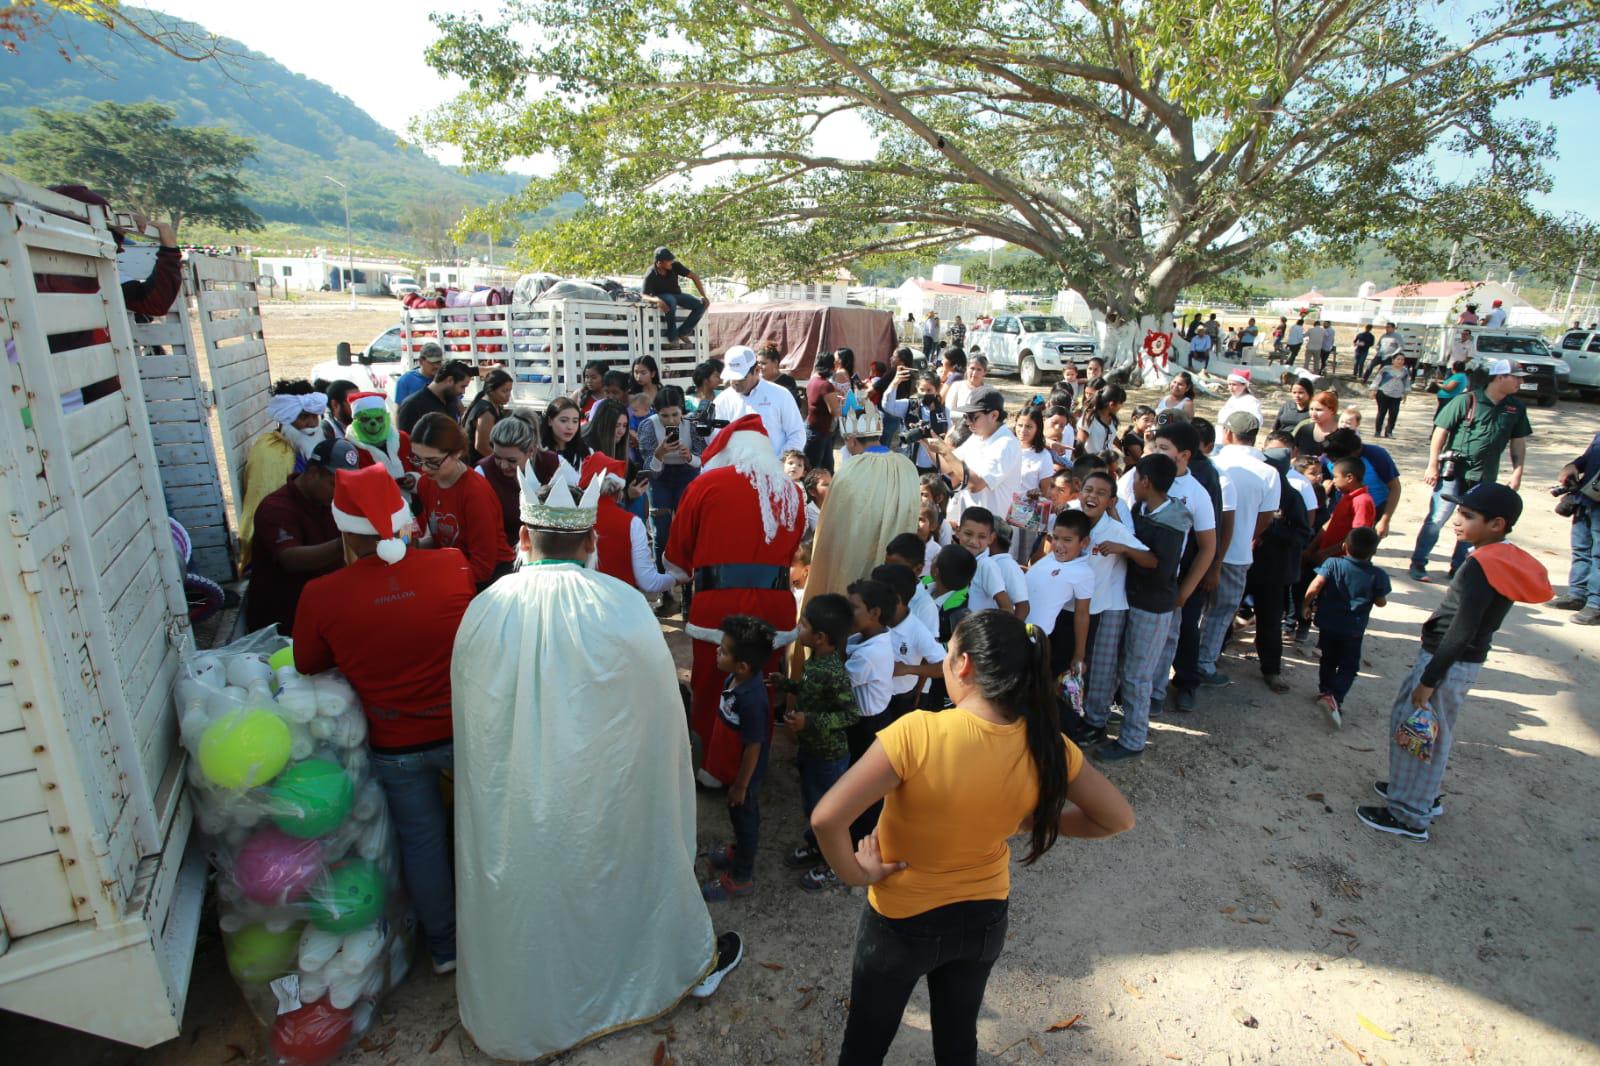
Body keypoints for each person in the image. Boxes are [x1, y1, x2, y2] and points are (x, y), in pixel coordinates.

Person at [449, 465, 742, 1058]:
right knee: (606, 872)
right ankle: (637, 975)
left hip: (521, 794)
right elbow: (659, 717)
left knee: (537, 886)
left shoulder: (485, 608)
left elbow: (476, 717)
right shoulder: (624, 605)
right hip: (603, 791)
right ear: (591, 542)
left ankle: (529, 1007)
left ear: (522, 540)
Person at [811, 610, 1134, 1064]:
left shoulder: (918, 731)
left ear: (963, 665)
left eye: (947, 654)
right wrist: (1028, 820)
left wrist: (855, 872)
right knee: (959, 1039)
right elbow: (1117, 818)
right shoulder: (1048, 744)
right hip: (983, 920)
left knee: (864, 1045)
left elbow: (827, 819)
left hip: (902, 922)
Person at [293, 463, 477, 975]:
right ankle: (502, 926)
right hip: (464, 728)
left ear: (343, 533)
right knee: (485, 829)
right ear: (403, 521)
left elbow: (307, 663)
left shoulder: (321, 595)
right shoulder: (451, 564)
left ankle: (446, 946)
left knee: (421, 843)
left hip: (395, 742)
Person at [1358, 484, 1551, 842]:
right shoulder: (1499, 556)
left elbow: (1462, 628)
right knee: (1427, 731)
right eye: (1458, 513)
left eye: (1467, 516)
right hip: (1458, 661)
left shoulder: (1481, 564)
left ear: (1497, 524)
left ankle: (1409, 814)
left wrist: (1430, 679)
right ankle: (1413, 793)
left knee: (1419, 732)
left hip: (1446, 662)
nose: (1456, 522)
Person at [666, 415, 807, 786]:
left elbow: (678, 554)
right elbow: (792, 550)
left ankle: (710, 762)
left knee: (713, 683)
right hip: (774, 603)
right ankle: (749, 764)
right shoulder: (792, 491)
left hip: (717, 602)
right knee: (761, 684)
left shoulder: (706, 484)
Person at [1095, 453, 1191, 761]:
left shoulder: (1171, 524)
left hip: (1152, 606)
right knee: (1127, 666)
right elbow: (1134, 535)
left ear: (1146, 482)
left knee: (1138, 673)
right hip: (1134, 599)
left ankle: (1133, 740)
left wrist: (1123, 549)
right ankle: (1122, 723)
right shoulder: (1143, 508)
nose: (1132, 484)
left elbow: (1154, 562)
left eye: (1135, 478)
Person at [1408, 360, 1532, 582]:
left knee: (1474, 524)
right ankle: (1418, 563)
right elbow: (1440, 431)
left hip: (1485, 476)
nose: (1521, 382)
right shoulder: (1467, 400)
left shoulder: (1515, 407)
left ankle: (1459, 568)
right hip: (1454, 473)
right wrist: (1432, 464)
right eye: (1517, 377)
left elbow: (1518, 442)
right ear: (1500, 377)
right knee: (1437, 518)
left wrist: (1517, 472)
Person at [770, 593, 860, 885]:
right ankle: (816, 845)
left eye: (804, 624)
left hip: (829, 757)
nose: (799, 627)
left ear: (820, 637)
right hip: (811, 749)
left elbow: (850, 715)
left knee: (828, 813)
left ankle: (832, 863)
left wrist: (810, 720)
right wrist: (788, 685)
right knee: (813, 806)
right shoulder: (816, 663)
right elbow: (812, 693)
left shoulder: (834, 673)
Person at [802, 400, 921, 608]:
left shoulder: (851, 469)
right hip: (894, 566)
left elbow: (831, 527)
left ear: (850, 441)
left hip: (854, 566)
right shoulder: (907, 466)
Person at [1195, 412, 1280, 687]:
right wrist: (1245, 537)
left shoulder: (1212, 464)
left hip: (1199, 549)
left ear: (1227, 433)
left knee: (1195, 609)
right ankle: (1204, 663)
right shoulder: (1269, 472)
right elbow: (1265, 518)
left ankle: (1186, 659)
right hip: (1237, 554)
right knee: (1221, 612)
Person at [244, 438, 358, 637]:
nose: (342, 492)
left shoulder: (335, 502)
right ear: (314, 474)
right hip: (283, 626)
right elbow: (291, 558)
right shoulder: (275, 508)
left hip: (326, 613)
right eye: (335, 484)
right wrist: (346, 543)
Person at [700, 615, 777, 901]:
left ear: (742, 665)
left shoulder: (752, 699)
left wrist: (741, 786)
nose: (717, 653)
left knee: (745, 819)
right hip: (733, 771)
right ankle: (737, 850)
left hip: (742, 777)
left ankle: (741, 876)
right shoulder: (734, 679)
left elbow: (754, 746)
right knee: (737, 816)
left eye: (723, 651)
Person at [1075, 470, 1146, 737]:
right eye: (1088, 490)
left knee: (1102, 665)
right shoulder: (1072, 519)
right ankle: (1078, 713)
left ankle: (1096, 722)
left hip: (1108, 606)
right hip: (1078, 605)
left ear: (1111, 501)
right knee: (1079, 661)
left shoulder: (1115, 530)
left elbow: (1150, 559)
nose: (1092, 496)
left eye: (1101, 493)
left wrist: (1123, 549)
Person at [411, 413, 517, 589]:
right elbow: (438, 538)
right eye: (417, 459)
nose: (423, 468)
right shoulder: (426, 483)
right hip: (455, 568)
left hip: (492, 580)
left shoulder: (475, 493)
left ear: (457, 452)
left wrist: (435, 578)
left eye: (432, 461)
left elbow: (483, 567)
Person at [1304, 525, 1390, 727]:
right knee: (1349, 667)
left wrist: (1306, 604)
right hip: (1353, 628)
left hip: (1327, 623)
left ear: (1344, 546)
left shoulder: (1332, 563)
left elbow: (1315, 586)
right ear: (1374, 551)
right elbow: (1380, 601)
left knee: (1328, 658)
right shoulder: (1377, 575)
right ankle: (1335, 697)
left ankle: (1325, 691)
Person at [1248, 440, 1313, 694]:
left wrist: (1272, 528)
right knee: (1224, 611)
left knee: (1270, 622)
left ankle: (1271, 670)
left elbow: (1301, 535)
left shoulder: (1291, 497)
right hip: (1246, 563)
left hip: (1272, 572)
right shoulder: (1255, 490)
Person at [240, 381, 327, 570]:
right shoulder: (269, 451)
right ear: (285, 418)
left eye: (315, 417)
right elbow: (264, 500)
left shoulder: (323, 443)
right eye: (304, 417)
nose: (311, 424)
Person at [926, 386, 1024, 531]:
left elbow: (975, 484)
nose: (968, 422)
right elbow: (947, 467)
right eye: (966, 416)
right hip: (971, 524)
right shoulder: (977, 437)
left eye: (973, 417)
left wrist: (945, 450)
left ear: (994, 415)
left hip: (993, 531)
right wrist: (926, 441)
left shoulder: (1006, 444)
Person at [1027, 510, 1095, 679]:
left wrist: (1079, 656)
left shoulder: (1083, 573)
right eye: (1056, 538)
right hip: (1017, 629)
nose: (1059, 545)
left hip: (1038, 637)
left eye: (1067, 540)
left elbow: (1081, 614)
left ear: (1084, 542)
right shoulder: (1049, 558)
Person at [476, 413, 559, 549]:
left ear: (531, 451)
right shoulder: (483, 472)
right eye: (497, 457)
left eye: (511, 460)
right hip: (502, 553)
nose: (503, 465)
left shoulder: (554, 464)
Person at [713, 345, 808, 458]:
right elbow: (716, 438)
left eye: (740, 377)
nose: (735, 382)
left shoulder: (780, 395)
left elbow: (797, 434)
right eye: (732, 377)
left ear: (756, 370)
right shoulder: (722, 400)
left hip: (774, 471)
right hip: (735, 470)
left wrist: (778, 463)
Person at [1549, 431, 1600, 623]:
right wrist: (1573, 466)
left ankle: (1596, 605)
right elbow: (1589, 457)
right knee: (1581, 549)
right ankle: (1577, 595)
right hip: (1586, 500)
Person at [344, 392, 417, 498]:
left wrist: (414, 479)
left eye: (379, 419)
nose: (373, 424)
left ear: (386, 417)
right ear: (355, 421)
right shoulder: (350, 448)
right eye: (365, 419)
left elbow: (420, 466)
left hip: (414, 506)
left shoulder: (403, 438)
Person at [642, 247, 710, 346]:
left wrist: (703, 295)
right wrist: (656, 300)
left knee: (701, 304)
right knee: (671, 300)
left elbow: (694, 276)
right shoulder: (651, 273)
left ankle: (683, 332)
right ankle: (672, 336)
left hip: (676, 295)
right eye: (668, 260)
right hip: (662, 296)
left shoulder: (675, 266)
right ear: (659, 263)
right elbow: (643, 295)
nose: (671, 262)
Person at [1312, 458, 1376, 562]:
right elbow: (1330, 522)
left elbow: (1356, 538)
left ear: (1349, 477)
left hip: (1341, 561)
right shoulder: (1346, 496)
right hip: (1326, 556)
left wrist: (1327, 552)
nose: (1333, 481)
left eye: (1336, 477)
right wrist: (1312, 548)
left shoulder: (1362, 501)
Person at [398, 359, 473, 435]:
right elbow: (406, 441)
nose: (463, 392)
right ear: (449, 380)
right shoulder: (412, 405)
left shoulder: (451, 400)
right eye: (462, 386)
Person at [460, 368, 513, 467]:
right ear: (491, 391)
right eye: (504, 391)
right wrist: (501, 464)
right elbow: (481, 446)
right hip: (478, 464)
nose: (508, 395)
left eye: (509, 391)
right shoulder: (486, 412)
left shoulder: (494, 405)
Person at [803, 350, 843, 472]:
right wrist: (842, 404)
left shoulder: (813, 381)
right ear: (831, 366)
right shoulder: (825, 385)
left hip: (815, 429)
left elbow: (820, 402)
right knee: (815, 470)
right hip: (819, 432)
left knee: (825, 467)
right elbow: (835, 412)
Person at [541, 395, 589, 474]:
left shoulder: (585, 452)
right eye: (563, 420)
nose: (570, 427)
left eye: (575, 421)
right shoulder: (538, 452)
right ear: (550, 421)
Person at [1077, 384, 1126, 456]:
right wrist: (1093, 462)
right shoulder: (1089, 420)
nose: (1122, 406)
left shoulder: (1112, 419)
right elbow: (1079, 446)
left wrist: (1123, 448)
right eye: (1121, 403)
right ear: (1111, 404)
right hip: (1092, 464)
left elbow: (1110, 435)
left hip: (1107, 464)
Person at [1370, 352, 1410, 438]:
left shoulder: (1405, 371)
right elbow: (1378, 379)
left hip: (1397, 395)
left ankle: (1389, 431)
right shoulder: (1386, 369)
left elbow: (1406, 383)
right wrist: (1373, 390)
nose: (1400, 361)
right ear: (1393, 360)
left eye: (1402, 359)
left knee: (1394, 413)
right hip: (1383, 393)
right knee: (1382, 412)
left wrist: (1405, 394)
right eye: (1398, 359)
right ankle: (1377, 431)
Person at [1292, 389, 1341, 458]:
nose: (1313, 414)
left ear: (1332, 410)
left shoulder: (1342, 435)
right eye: (1311, 409)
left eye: (1318, 410)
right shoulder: (1304, 429)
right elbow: (1293, 453)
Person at [394, 342, 444, 407]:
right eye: (432, 363)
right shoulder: (405, 381)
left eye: (438, 362)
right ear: (421, 361)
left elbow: (457, 405)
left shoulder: (445, 380)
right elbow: (399, 409)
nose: (437, 366)